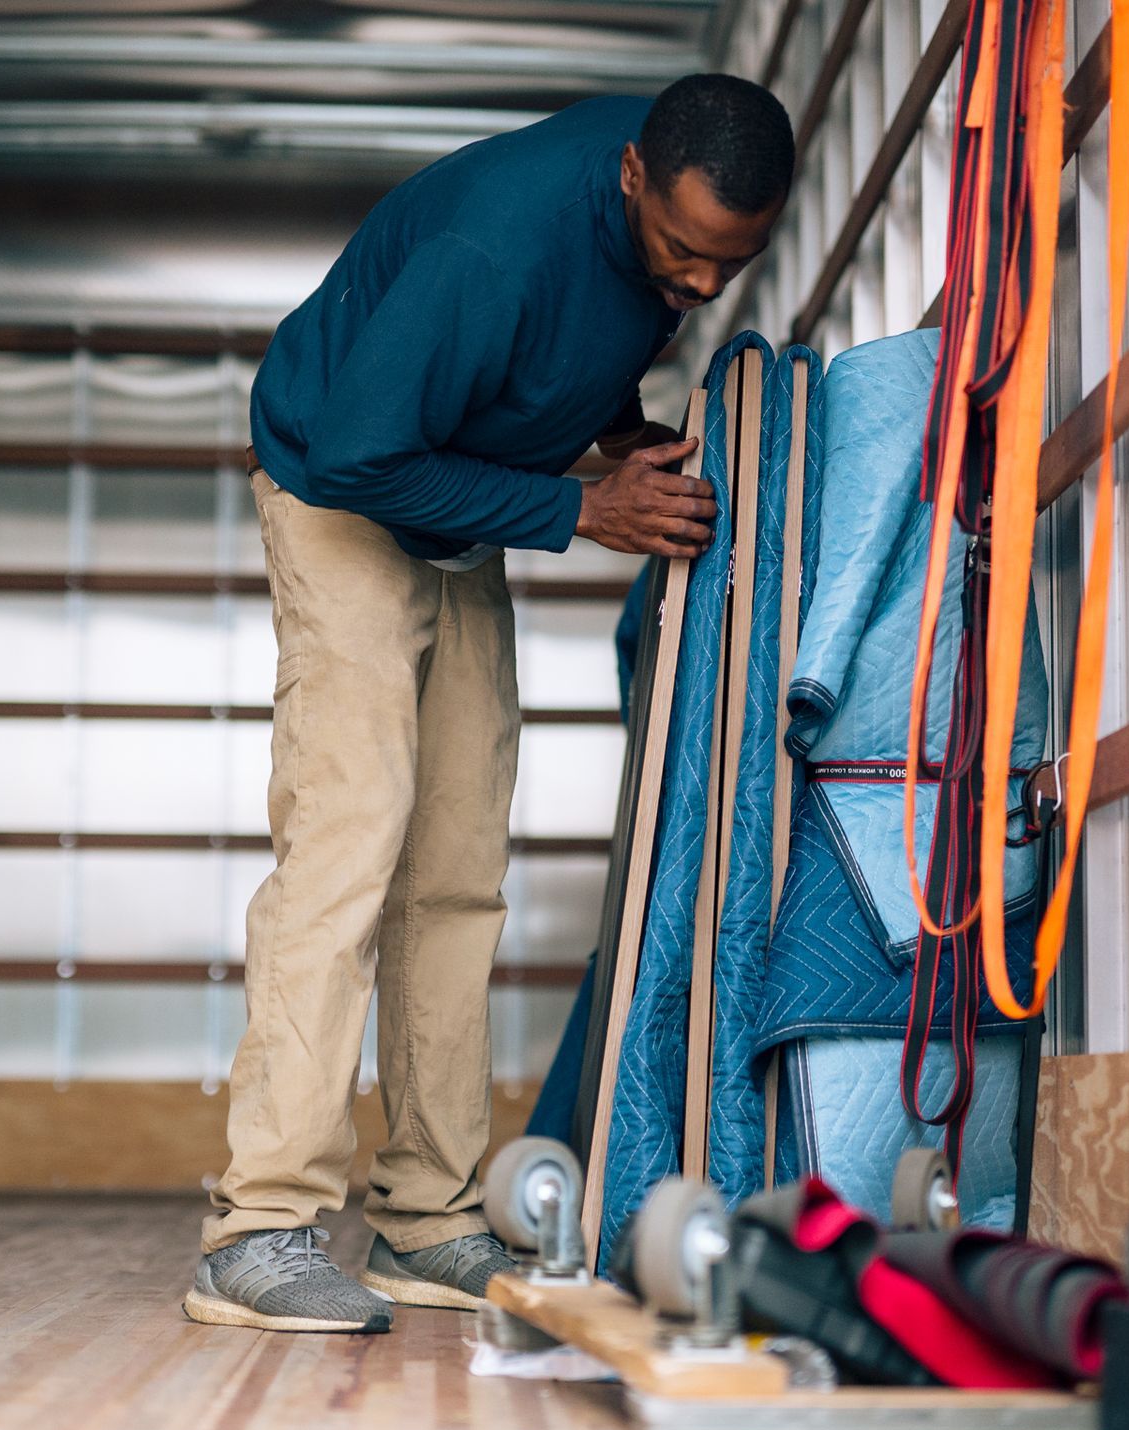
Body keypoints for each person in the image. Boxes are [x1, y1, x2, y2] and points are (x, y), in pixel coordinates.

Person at [181, 75, 793, 1334]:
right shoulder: (493, 247)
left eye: (728, 265)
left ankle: (428, 1216)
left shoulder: (684, 181)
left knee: (459, 866)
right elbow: (359, 450)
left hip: (456, 495)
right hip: (342, 490)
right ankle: (259, 1228)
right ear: (631, 177)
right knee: (349, 846)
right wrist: (583, 509)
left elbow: (575, 343)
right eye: (681, 255)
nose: (696, 287)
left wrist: (614, 439)